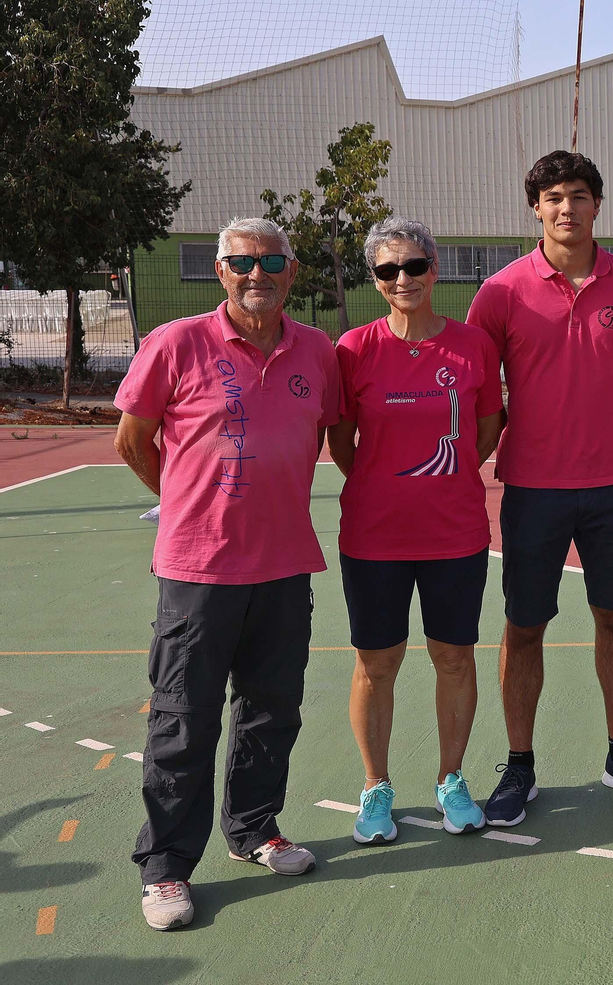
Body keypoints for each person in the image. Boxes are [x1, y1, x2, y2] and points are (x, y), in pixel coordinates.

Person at [114, 217, 341, 930]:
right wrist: (186, 502)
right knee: (184, 719)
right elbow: (133, 439)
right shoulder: (176, 343)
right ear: (221, 270)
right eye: (241, 261)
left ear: (292, 272)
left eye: (271, 261)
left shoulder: (317, 352)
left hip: (283, 565)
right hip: (199, 570)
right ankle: (166, 868)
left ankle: (253, 830)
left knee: (272, 710)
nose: (257, 273)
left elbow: (326, 433)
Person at [467, 150, 613, 821]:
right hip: (531, 487)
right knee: (524, 626)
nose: (566, 207)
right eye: (553, 196)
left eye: (578, 195)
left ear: (596, 204)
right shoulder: (499, 292)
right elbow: (480, 391)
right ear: (536, 207)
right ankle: (519, 767)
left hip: (612, 485)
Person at [328, 218, 506, 843]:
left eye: (413, 266)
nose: (402, 278)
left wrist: (445, 478)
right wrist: (384, 482)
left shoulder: (472, 346)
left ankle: (450, 779)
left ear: (434, 269)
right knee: (377, 663)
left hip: (454, 532)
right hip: (374, 535)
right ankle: (376, 788)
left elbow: (487, 429)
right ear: (376, 280)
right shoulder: (353, 350)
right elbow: (342, 441)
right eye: (387, 270)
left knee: (453, 656)